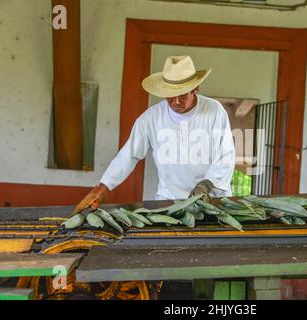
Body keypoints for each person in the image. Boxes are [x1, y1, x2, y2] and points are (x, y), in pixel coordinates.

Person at [73, 55, 235, 214]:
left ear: (195, 89)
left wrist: (206, 185)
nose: (176, 101)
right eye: (171, 96)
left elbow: (225, 155)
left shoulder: (214, 111)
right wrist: (102, 187)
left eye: (183, 94)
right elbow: (128, 156)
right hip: (170, 199)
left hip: (213, 199)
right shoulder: (151, 118)